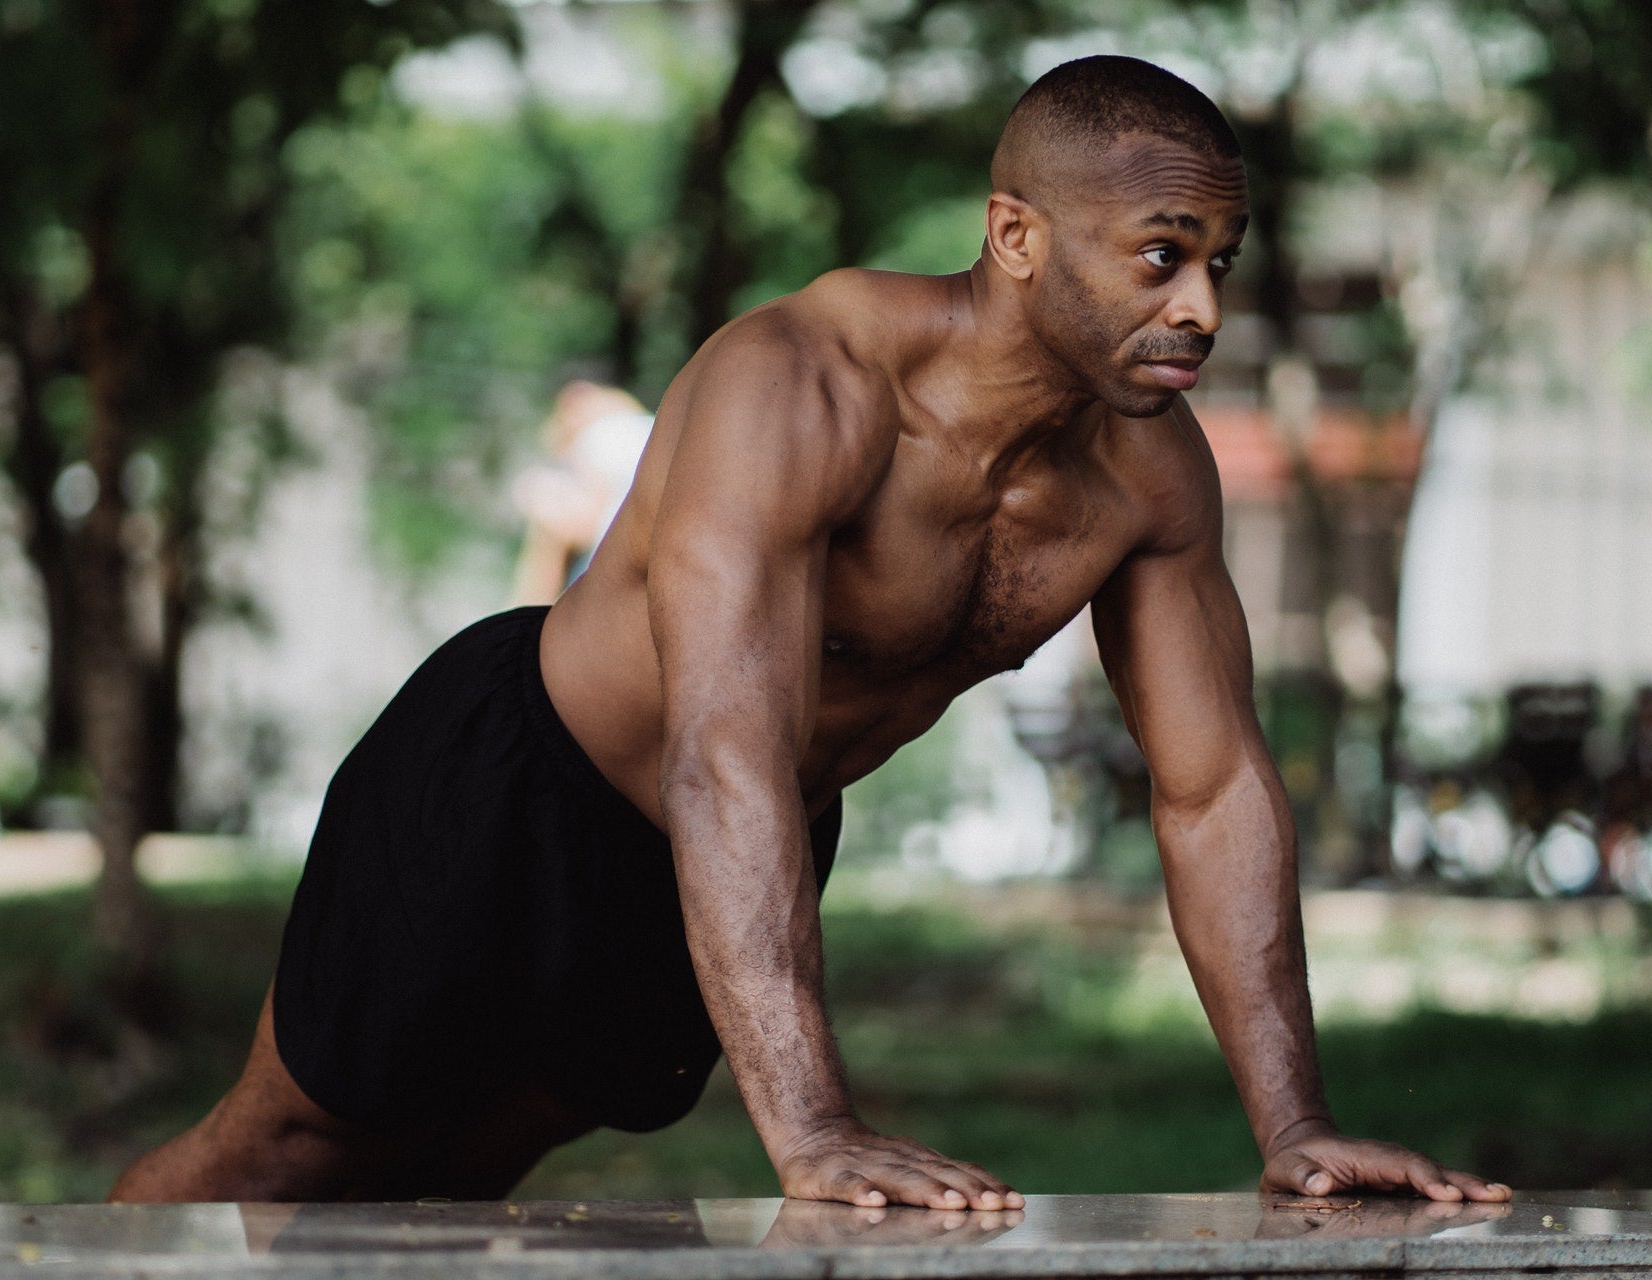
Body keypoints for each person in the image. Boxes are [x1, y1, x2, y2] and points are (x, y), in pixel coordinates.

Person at [111, 56, 1511, 1210]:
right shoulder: (798, 384)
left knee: (464, 1178)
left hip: (750, 834)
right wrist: (814, 1126)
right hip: (519, 785)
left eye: (1218, 260)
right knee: (286, 1157)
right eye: (1160, 257)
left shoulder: (1150, 478)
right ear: (1017, 237)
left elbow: (1210, 792)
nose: (1199, 307)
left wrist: (1297, 1126)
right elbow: (720, 744)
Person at [508, 380, 654, 606]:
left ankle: (527, 611)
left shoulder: (600, 436)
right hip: (649, 566)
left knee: (540, 494)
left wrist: (538, 502)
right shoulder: (648, 428)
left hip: (619, 577)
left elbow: (589, 525)